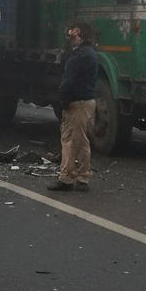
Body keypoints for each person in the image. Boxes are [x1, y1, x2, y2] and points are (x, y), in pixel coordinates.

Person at [48, 22, 99, 192]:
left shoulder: (79, 56)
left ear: (79, 34)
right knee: (82, 140)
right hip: (88, 101)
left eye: (72, 34)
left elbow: (68, 81)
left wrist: (62, 100)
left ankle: (66, 178)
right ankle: (83, 176)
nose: (70, 37)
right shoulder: (91, 53)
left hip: (76, 103)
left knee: (69, 140)